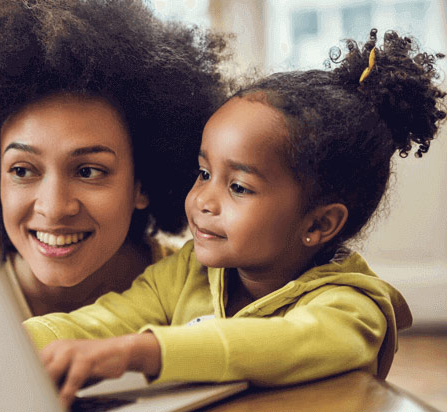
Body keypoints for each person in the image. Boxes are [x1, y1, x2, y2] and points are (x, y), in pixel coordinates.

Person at [24, 28, 442, 407]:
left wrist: (140, 351)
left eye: (238, 187)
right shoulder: (185, 274)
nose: (203, 199)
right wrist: (15, 340)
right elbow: (103, 321)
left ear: (318, 225)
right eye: (204, 173)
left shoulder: (353, 308)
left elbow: (280, 343)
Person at [0, 0, 230, 318]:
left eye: (88, 171)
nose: (55, 207)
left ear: (142, 183)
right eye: (21, 170)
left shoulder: (206, 296)